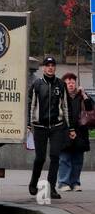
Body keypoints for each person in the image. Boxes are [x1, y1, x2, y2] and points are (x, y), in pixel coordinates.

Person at [27, 56, 69, 199]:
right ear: (43, 68)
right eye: (47, 65)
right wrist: (29, 124)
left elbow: (65, 106)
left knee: (55, 156)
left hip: (57, 126)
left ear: (55, 67)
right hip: (40, 126)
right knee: (40, 158)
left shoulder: (61, 85)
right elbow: (30, 105)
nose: (50, 67)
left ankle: (51, 188)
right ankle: (33, 182)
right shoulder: (37, 85)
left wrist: (70, 127)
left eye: (52, 65)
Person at [59, 73, 90, 193]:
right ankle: (63, 183)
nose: (71, 84)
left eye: (72, 82)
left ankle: (75, 182)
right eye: (68, 82)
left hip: (80, 132)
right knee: (64, 159)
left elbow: (90, 109)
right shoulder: (61, 97)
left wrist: (84, 94)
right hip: (65, 131)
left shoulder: (81, 96)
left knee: (78, 160)